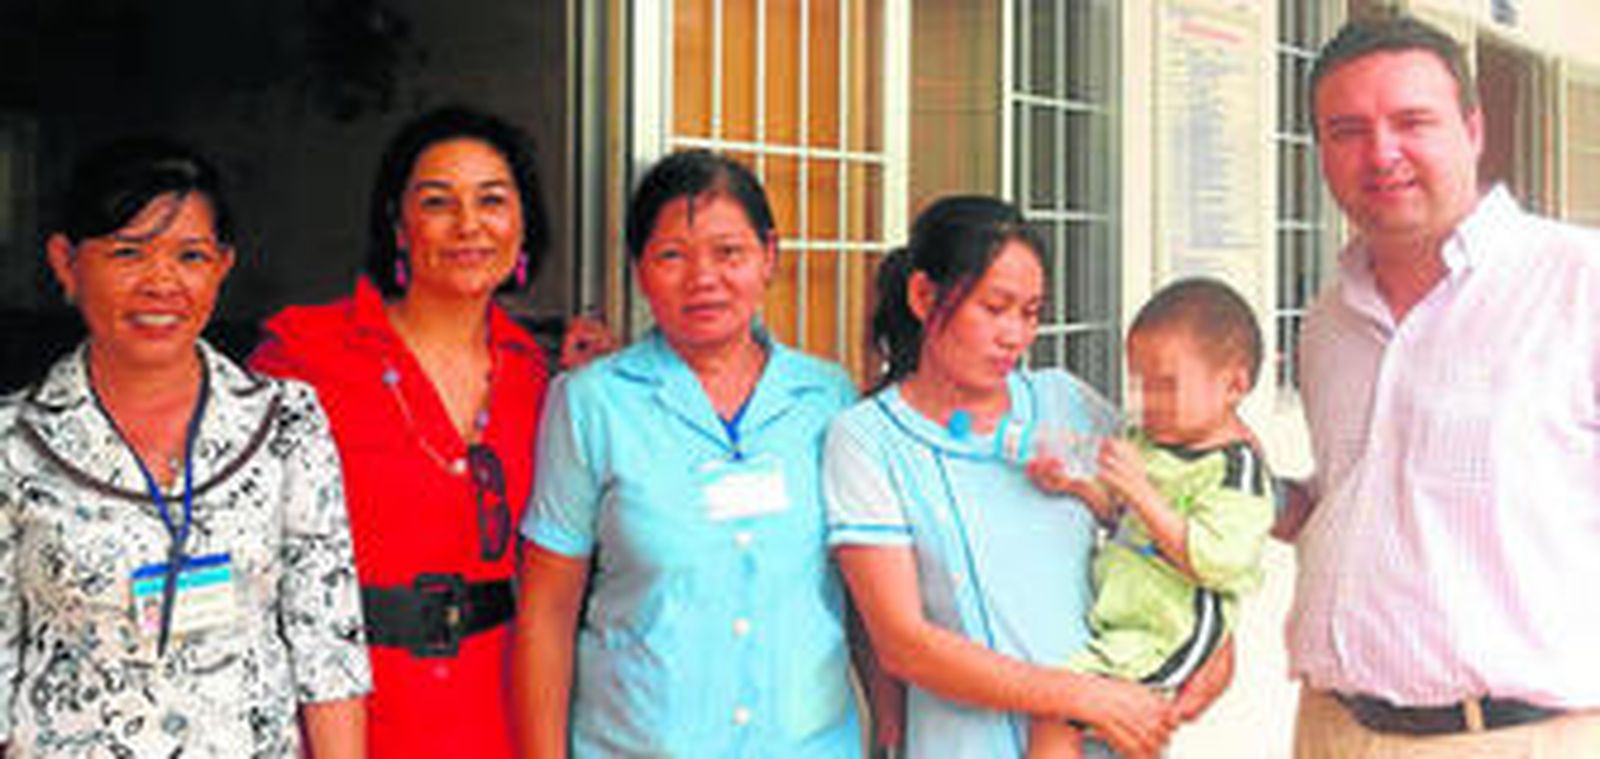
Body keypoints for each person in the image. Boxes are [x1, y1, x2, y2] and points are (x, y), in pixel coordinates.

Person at [1280, 12, 1600, 757]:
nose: (1381, 152)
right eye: (1348, 129)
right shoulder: (1330, 321)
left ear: (1473, 129)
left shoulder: (1579, 284)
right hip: (1331, 729)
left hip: (1520, 736)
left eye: (1412, 121)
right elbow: (1353, 502)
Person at [250, 106, 609, 758]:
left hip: (499, 715)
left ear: (523, 223)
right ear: (397, 224)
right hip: (348, 718)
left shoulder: (539, 377)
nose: (469, 225)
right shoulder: (305, 353)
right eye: (438, 202)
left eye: (493, 200)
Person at [823, 195, 1232, 759]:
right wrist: (1081, 697)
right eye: (995, 308)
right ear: (923, 296)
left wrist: (1214, 640)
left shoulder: (1065, 403)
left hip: (1102, 742)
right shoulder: (868, 439)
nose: (1015, 335)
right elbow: (903, 644)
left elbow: (1174, 510)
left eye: (1031, 312)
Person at [0, 138, 369, 756]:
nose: (162, 282)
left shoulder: (286, 423)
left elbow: (327, 653)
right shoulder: (15, 442)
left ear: (223, 266)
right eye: (128, 253)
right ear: (66, 264)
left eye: (190, 255)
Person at [513, 150, 863, 757]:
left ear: (769, 256)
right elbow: (546, 613)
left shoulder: (828, 398)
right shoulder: (589, 403)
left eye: (729, 253)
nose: (704, 278)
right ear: (640, 270)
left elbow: (866, 594)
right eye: (672, 255)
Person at [1025, 278, 1275, 758]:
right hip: (1128, 625)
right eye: (1140, 384)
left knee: (1059, 706)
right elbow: (1123, 521)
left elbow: (1217, 561)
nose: (1148, 402)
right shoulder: (1152, 444)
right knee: (1118, 730)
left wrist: (1140, 490)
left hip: (1171, 631)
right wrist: (1077, 487)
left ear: (1234, 385)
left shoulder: (1235, 470)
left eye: (1167, 385)